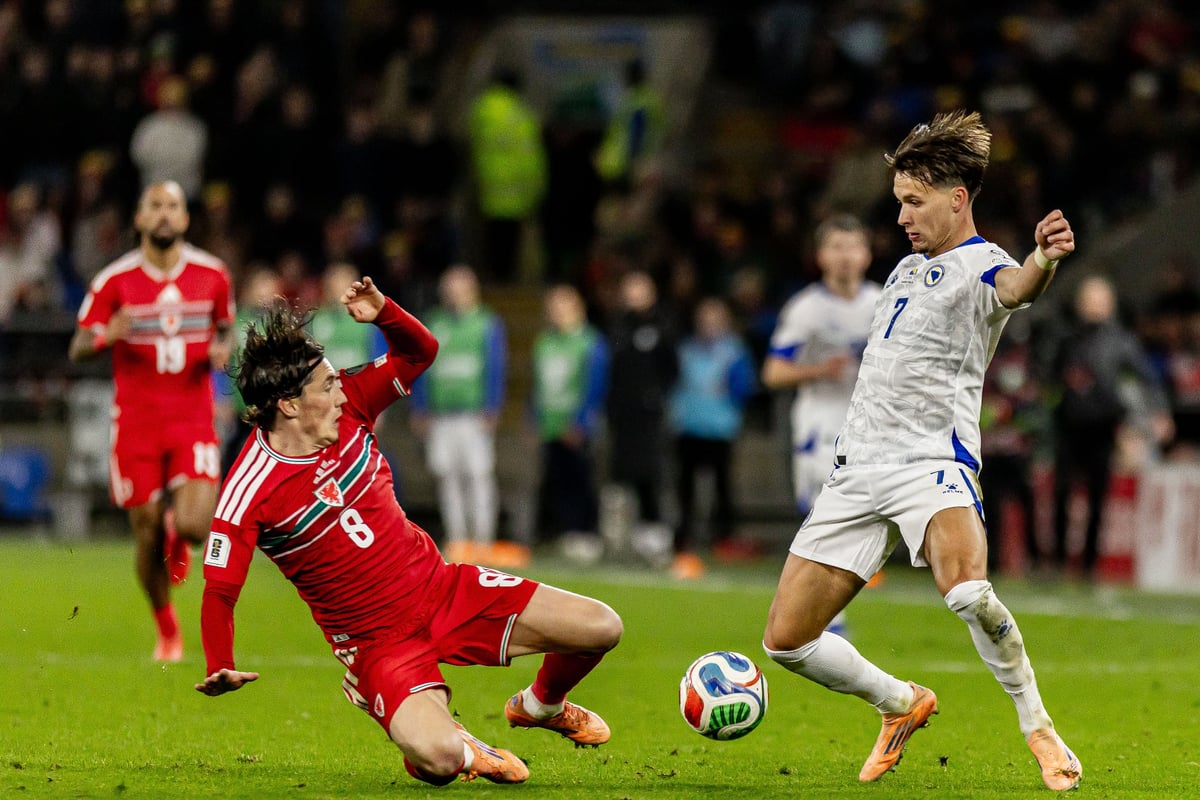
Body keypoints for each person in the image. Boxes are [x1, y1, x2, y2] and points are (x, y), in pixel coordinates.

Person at [761, 111, 1083, 791]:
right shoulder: (906, 271)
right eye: (900, 201)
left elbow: (1017, 289)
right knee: (785, 641)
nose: (903, 216)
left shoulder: (982, 264)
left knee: (967, 592)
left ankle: (1038, 724)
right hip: (855, 471)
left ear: (956, 199)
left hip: (929, 467)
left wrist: (1044, 260)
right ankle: (900, 704)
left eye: (915, 201)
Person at [195, 276, 621, 786]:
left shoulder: (351, 403)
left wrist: (385, 313)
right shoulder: (250, 489)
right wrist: (220, 662)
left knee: (602, 627)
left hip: (442, 590)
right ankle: (448, 742)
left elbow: (422, 352)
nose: (340, 390)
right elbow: (220, 591)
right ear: (289, 404)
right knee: (438, 762)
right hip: (379, 646)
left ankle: (541, 705)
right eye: (327, 384)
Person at [68, 180, 234, 662]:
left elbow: (225, 326)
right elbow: (77, 347)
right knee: (143, 533)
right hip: (137, 422)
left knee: (197, 526)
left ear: (185, 219)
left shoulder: (214, 275)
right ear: (139, 219)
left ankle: (176, 530)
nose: (164, 215)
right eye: (155, 206)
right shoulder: (114, 281)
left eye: (173, 207)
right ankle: (167, 629)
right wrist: (106, 336)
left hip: (192, 417)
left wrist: (223, 351)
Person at [761, 213, 881, 633]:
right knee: (821, 512)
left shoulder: (883, 302)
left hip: (871, 423)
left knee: (866, 514)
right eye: (836, 247)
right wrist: (817, 371)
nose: (845, 256)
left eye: (852, 247)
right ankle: (828, 615)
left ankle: (828, 602)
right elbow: (773, 372)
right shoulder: (807, 309)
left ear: (867, 254)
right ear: (821, 256)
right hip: (820, 421)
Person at [1047, 274, 1171, 579]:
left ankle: (1088, 565)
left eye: (1099, 300)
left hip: (1103, 428)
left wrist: (1156, 415)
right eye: (1089, 300)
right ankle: (1060, 562)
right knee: (1061, 492)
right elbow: (1049, 379)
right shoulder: (1067, 338)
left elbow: (1146, 380)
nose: (1094, 307)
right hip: (1068, 426)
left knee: (1098, 496)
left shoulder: (1121, 341)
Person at [410, 264, 513, 565]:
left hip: (473, 415)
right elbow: (422, 367)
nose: (454, 294)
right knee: (447, 476)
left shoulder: (487, 323)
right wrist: (420, 407)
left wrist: (493, 405)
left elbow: (496, 366)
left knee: (478, 474)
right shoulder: (434, 322)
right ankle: (458, 539)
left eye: (460, 288)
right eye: (449, 288)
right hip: (441, 415)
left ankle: (482, 539)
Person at [669, 297, 756, 579]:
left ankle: (724, 539)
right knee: (686, 487)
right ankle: (684, 540)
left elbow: (744, 386)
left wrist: (731, 404)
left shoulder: (734, 351)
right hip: (689, 426)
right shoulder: (687, 349)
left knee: (722, 485)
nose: (708, 323)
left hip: (720, 427)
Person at [531, 284, 609, 558]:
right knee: (557, 480)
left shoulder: (590, 342)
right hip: (551, 424)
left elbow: (595, 386)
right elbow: (538, 386)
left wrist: (580, 422)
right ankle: (566, 532)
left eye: (562, 306)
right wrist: (535, 417)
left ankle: (588, 534)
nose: (556, 313)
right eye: (552, 307)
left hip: (576, 426)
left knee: (582, 479)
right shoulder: (544, 342)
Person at [605, 270, 677, 535]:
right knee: (621, 475)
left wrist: (655, 395)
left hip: (650, 415)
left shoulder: (663, 325)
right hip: (622, 413)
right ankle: (620, 534)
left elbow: (672, 368)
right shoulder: (618, 326)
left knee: (651, 474)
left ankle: (654, 532)